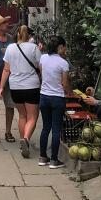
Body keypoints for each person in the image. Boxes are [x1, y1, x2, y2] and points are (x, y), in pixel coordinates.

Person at [1, 25, 42, 158]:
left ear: (17, 35)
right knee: (32, 117)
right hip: (31, 86)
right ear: (29, 36)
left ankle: (22, 142)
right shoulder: (34, 48)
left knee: (22, 115)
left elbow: (6, 69)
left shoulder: (10, 48)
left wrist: (1, 86)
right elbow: (40, 67)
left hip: (15, 87)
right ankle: (26, 139)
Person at [37, 36, 71, 168]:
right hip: (57, 98)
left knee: (46, 127)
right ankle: (54, 160)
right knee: (56, 129)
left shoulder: (43, 58)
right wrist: (70, 92)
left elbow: (42, 73)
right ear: (60, 47)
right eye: (64, 47)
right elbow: (64, 83)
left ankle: (42, 157)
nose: (65, 49)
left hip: (44, 97)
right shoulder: (63, 63)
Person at [0, 15, 16, 142]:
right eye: (4, 23)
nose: (7, 25)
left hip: (10, 77)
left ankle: (8, 131)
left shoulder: (11, 39)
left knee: (10, 105)